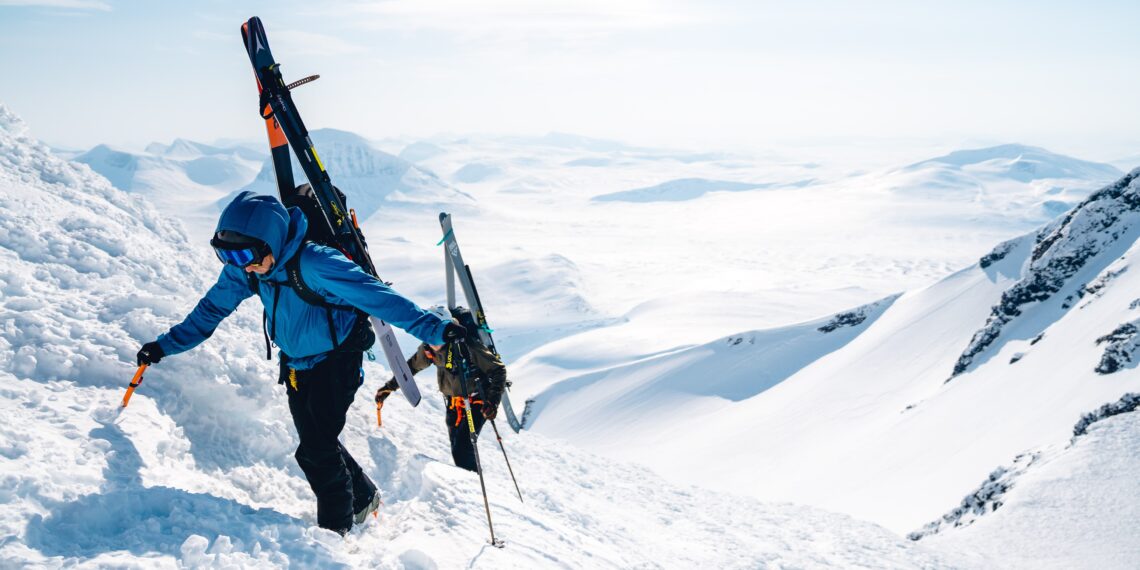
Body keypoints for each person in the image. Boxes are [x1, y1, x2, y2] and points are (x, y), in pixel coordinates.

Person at [135, 191, 465, 535]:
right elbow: (210, 312)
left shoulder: (316, 264)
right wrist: (164, 346)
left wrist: (435, 329)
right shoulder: (246, 270)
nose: (240, 263)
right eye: (226, 256)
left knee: (317, 450)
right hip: (294, 364)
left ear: (271, 242)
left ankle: (333, 536)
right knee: (315, 445)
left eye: (246, 254)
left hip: (337, 361)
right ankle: (364, 498)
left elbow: (380, 298)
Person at [374, 306, 507, 472]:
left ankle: (471, 485)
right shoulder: (428, 349)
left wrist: (492, 402)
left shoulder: (466, 344)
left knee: (463, 448)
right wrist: (389, 388)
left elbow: (498, 369)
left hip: (477, 400)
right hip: (453, 403)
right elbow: (411, 368)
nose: (431, 337)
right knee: (457, 446)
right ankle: (469, 481)